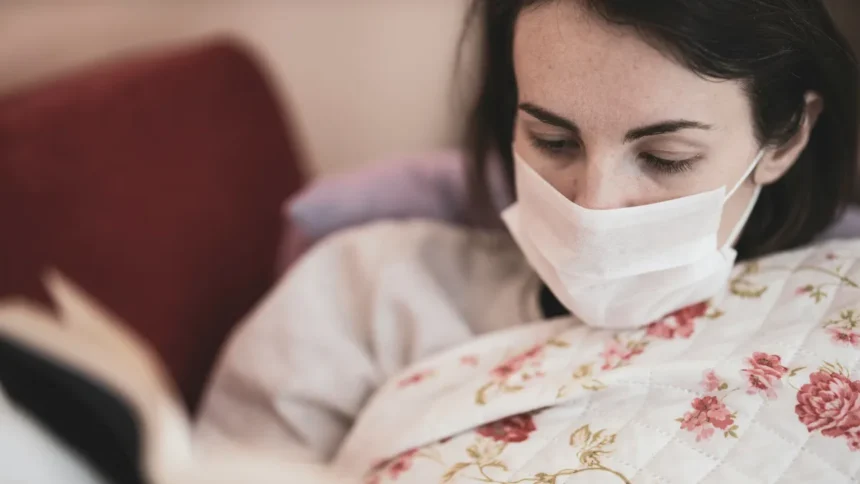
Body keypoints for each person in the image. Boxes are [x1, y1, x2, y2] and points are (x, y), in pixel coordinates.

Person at [196, 0, 859, 482]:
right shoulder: (366, 291)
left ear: (785, 138)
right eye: (554, 141)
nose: (594, 203)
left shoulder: (840, 300)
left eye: (666, 157)